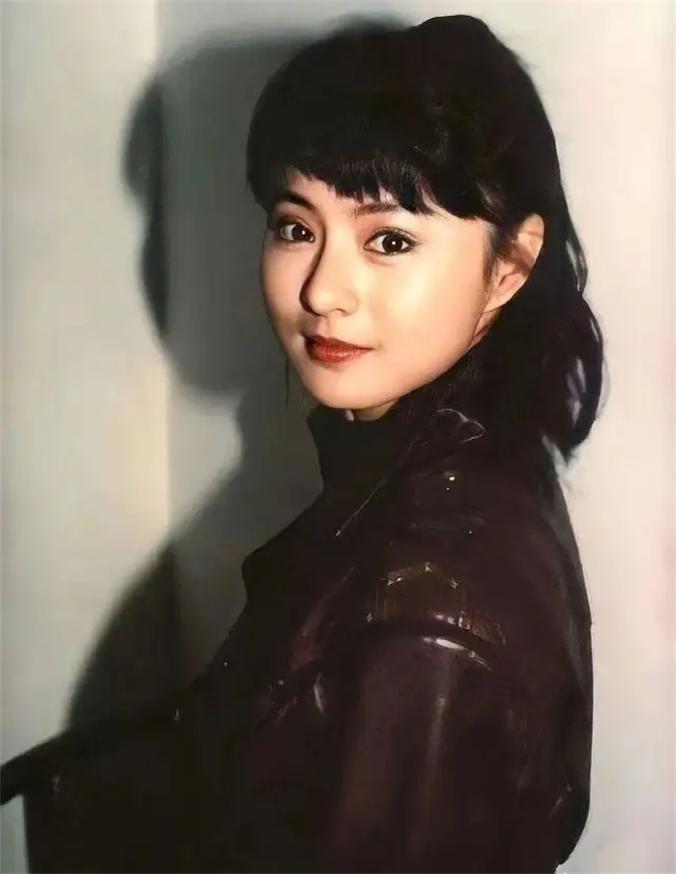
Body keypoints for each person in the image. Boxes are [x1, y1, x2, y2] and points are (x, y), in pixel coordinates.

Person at [1, 14, 603, 873]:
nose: (323, 290)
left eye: (388, 240)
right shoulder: (462, 457)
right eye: (295, 226)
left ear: (509, 264)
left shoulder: (421, 619)